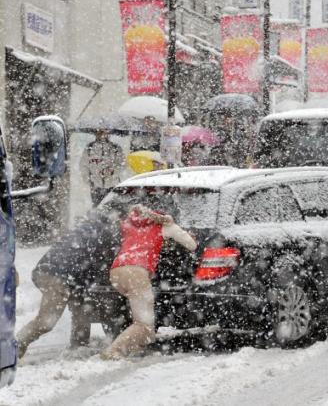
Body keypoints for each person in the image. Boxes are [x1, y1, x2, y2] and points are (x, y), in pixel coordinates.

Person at [16, 211, 121, 358]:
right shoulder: (106, 234)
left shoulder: (90, 225)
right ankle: (14, 346)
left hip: (54, 272)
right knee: (46, 321)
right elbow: (99, 266)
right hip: (56, 276)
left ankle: (79, 345)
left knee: (82, 307)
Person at [101, 205, 197, 360]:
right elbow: (192, 245)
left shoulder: (129, 222)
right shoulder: (165, 225)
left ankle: (134, 349)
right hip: (137, 272)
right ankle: (113, 351)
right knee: (144, 325)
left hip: (117, 271)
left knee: (146, 329)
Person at [80, 129, 124, 206]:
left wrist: (112, 171)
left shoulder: (116, 148)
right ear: (95, 133)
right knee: (97, 210)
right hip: (96, 186)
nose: (102, 134)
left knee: (113, 209)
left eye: (104, 131)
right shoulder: (89, 148)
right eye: (99, 132)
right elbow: (84, 165)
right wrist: (89, 181)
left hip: (112, 186)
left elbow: (122, 164)